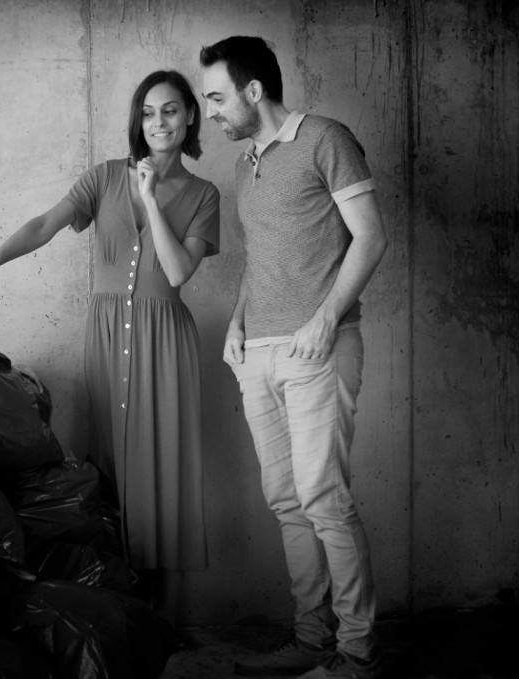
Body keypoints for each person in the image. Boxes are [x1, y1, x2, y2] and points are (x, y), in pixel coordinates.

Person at [0, 70, 220, 619]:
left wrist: (150, 199)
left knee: (165, 472)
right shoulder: (105, 177)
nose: (158, 122)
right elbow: (46, 223)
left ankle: (164, 617)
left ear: (190, 116)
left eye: (169, 111)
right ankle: (120, 607)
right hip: (108, 334)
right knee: (110, 465)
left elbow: (179, 269)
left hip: (167, 343)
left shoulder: (204, 194)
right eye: (148, 112)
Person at [199, 36, 388, 679]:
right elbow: (261, 258)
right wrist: (237, 324)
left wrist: (326, 319)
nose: (212, 111)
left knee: (323, 499)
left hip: (318, 349)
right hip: (258, 354)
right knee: (285, 500)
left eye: (218, 97)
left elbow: (370, 236)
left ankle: (357, 656)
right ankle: (311, 641)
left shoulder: (326, 139)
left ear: (255, 91)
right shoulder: (245, 162)